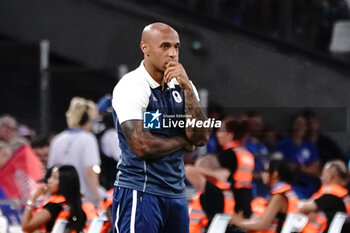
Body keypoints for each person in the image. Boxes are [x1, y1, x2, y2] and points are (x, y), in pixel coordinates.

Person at [111, 22, 209, 233]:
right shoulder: (132, 85)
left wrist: (187, 90)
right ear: (145, 48)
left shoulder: (184, 86)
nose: (173, 53)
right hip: (141, 190)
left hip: (176, 194)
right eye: (165, 46)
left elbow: (200, 138)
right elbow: (142, 146)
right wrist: (185, 140)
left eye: (176, 47)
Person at [48, 97, 103, 205]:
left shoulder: (57, 139)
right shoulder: (88, 139)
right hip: (83, 200)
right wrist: (98, 201)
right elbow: (90, 172)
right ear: (89, 120)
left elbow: (51, 170)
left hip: (60, 200)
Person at [229, 158, 299, 233]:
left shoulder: (279, 196)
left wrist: (237, 221)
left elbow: (262, 225)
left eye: (265, 171)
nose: (262, 174)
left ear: (275, 174)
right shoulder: (288, 192)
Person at [21, 165, 87, 232]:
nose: (49, 181)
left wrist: (33, 198)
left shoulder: (53, 206)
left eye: (54, 177)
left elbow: (26, 226)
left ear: (64, 182)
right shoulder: (74, 202)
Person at [216, 117, 254, 218]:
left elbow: (222, 179)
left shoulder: (227, 154)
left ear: (230, 134)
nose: (217, 134)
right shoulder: (246, 153)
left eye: (220, 130)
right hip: (246, 201)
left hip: (233, 206)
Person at [276, 114, 321, 199]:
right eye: (298, 124)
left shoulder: (310, 147)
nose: (300, 127)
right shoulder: (282, 145)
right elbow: (281, 166)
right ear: (291, 125)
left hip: (309, 187)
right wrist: (305, 168)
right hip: (290, 186)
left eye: (303, 125)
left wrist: (298, 168)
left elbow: (316, 170)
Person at [186, 154, 234, 233]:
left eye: (200, 170)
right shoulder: (226, 190)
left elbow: (188, 170)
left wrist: (214, 173)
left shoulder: (214, 191)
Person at [299, 160, 350, 233]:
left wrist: (306, 211)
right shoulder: (342, 196)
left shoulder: (332, 196)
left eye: (323, 174)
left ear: (331, 176)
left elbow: (300, 208)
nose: (321, 178)